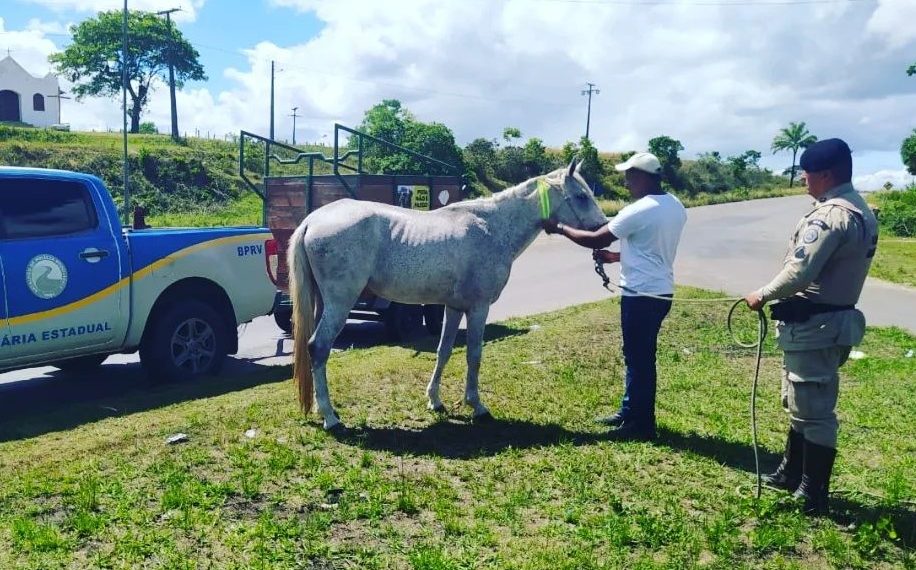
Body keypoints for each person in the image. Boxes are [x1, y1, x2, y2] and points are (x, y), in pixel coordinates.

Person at [744, 138, 878, 516]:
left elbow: (800, 272)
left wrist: (763, 294)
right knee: (799, 401)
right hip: (821, 325)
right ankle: (793, 474)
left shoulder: (830, 215)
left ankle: (812, 492)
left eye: (806, 172)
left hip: (816, 325)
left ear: (824, 174)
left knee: (814, 409)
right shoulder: (859, 208)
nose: (802, 178)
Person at [543, 152, 687, 441]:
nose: (626, 182)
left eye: (630, 176)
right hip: (660, 291)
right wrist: (616, 257)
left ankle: (641, 424)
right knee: (639, 355)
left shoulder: (640, 209)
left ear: (644, 177)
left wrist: (559, 228)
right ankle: (630, 410)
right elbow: (651, 249)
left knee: (639, 359)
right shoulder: (675, 206)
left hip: (640, 295)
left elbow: (596, 238)